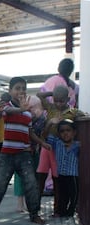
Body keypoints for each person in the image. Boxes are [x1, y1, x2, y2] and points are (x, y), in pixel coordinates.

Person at [0, 77, 45, 225]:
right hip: (7, 154)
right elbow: (8, 111)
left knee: (31, 184)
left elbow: (30, 133)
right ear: (10, 91)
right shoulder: (6, 107)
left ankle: (34, 214)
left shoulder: (28, 113)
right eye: (17, 88)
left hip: (24, 154)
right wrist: (21, 109)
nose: (21, 91)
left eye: (23, 88)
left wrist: (42, 143)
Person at [37, 85, 84, 216]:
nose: (58, 103)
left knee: (58, 179)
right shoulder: (50, 107)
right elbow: (39, 95)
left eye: (61, 100)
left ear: (68, 99)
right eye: (56, 100)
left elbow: (83, 116)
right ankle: (35, 209)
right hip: (47, 144)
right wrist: (53, 93)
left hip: (60, 148)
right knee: (40, 177)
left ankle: (58, 210)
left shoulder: (73, 112)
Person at [13, 95, 48, 213]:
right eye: (29, 108)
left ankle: (30, 203)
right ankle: (19, 203)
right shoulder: (22, 116)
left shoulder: (41, 119)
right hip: (21, 152)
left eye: (33, 107)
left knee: (32, 178)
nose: (31, 110)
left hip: (34, 152)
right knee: (20, 178)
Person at [44, 119, 79, 217]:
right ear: (59, 134)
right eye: (62, 131)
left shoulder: (77, 145)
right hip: (61, 174)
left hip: (73, 175)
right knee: (62, 194)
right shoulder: (56, 143)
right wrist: (50, 123)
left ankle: (71, 212)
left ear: (74, 132)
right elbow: (45, 136)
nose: (65, 133)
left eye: (68, 130)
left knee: (73, 194)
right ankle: (61, 211)